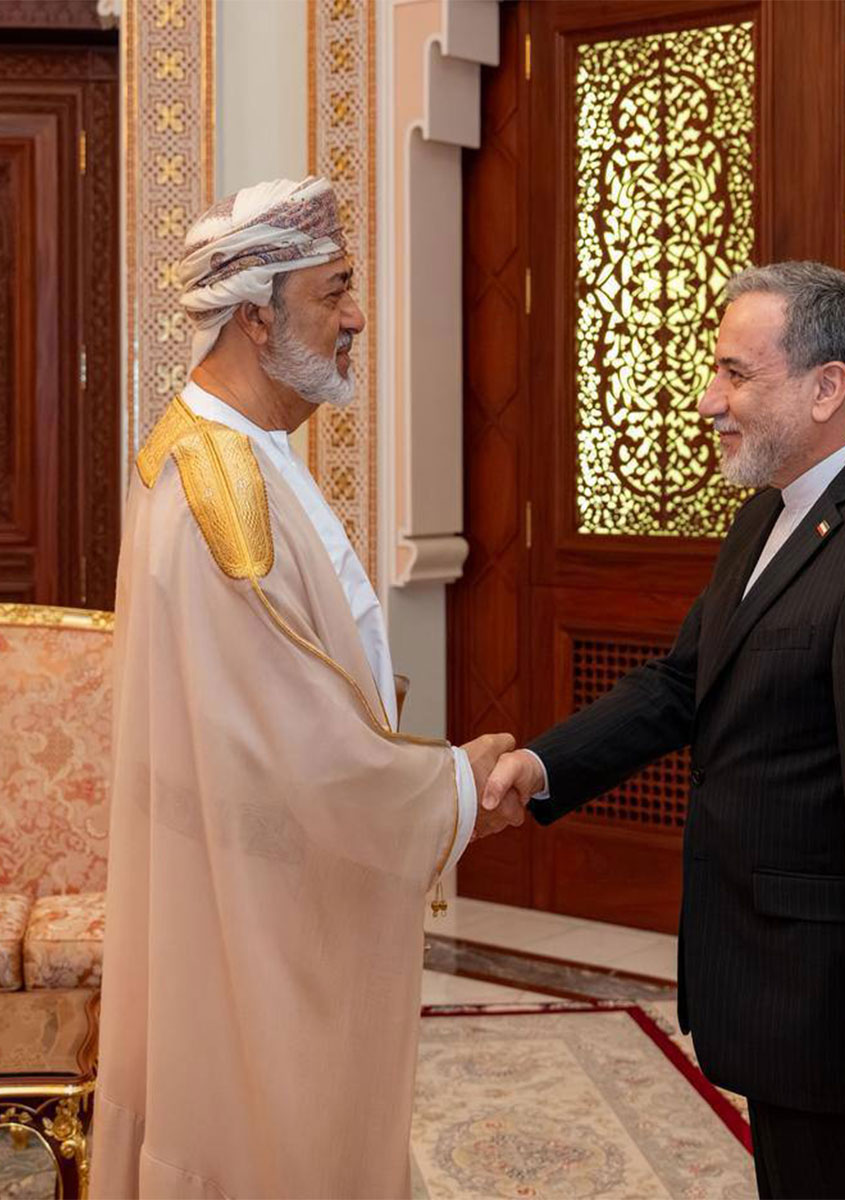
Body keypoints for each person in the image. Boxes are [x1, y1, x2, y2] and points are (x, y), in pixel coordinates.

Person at [484, 262, 845, 1200]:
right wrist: (541, 765)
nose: (711, 401)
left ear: (828, 386)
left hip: (836, 1009)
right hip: (778, 992)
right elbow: (686, 685)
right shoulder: (777, 512)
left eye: (735, 374)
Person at [92, 175, 523, 1199]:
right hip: (263, 904)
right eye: (334, 293)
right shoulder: (220, 492)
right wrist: (458, 790)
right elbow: (297, 746)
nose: (356, 317)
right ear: (254, 316)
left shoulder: (230, 449)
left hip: (261, 875)